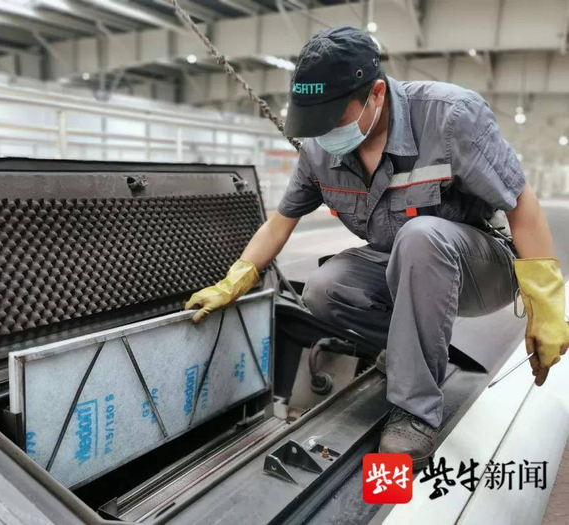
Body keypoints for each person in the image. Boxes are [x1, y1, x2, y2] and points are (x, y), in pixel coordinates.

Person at [184, 26, 569, 470]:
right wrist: (236, 277)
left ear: (377, 94)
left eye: (335, 118)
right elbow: (279, 223)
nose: (325, 133)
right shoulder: (319, 150)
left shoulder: (449, 117)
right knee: (325, 288)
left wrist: (546, 304)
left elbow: (522, 204)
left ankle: (416, 412)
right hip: (403, 264)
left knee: (421, 236)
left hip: (481, 265)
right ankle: (411, 354)